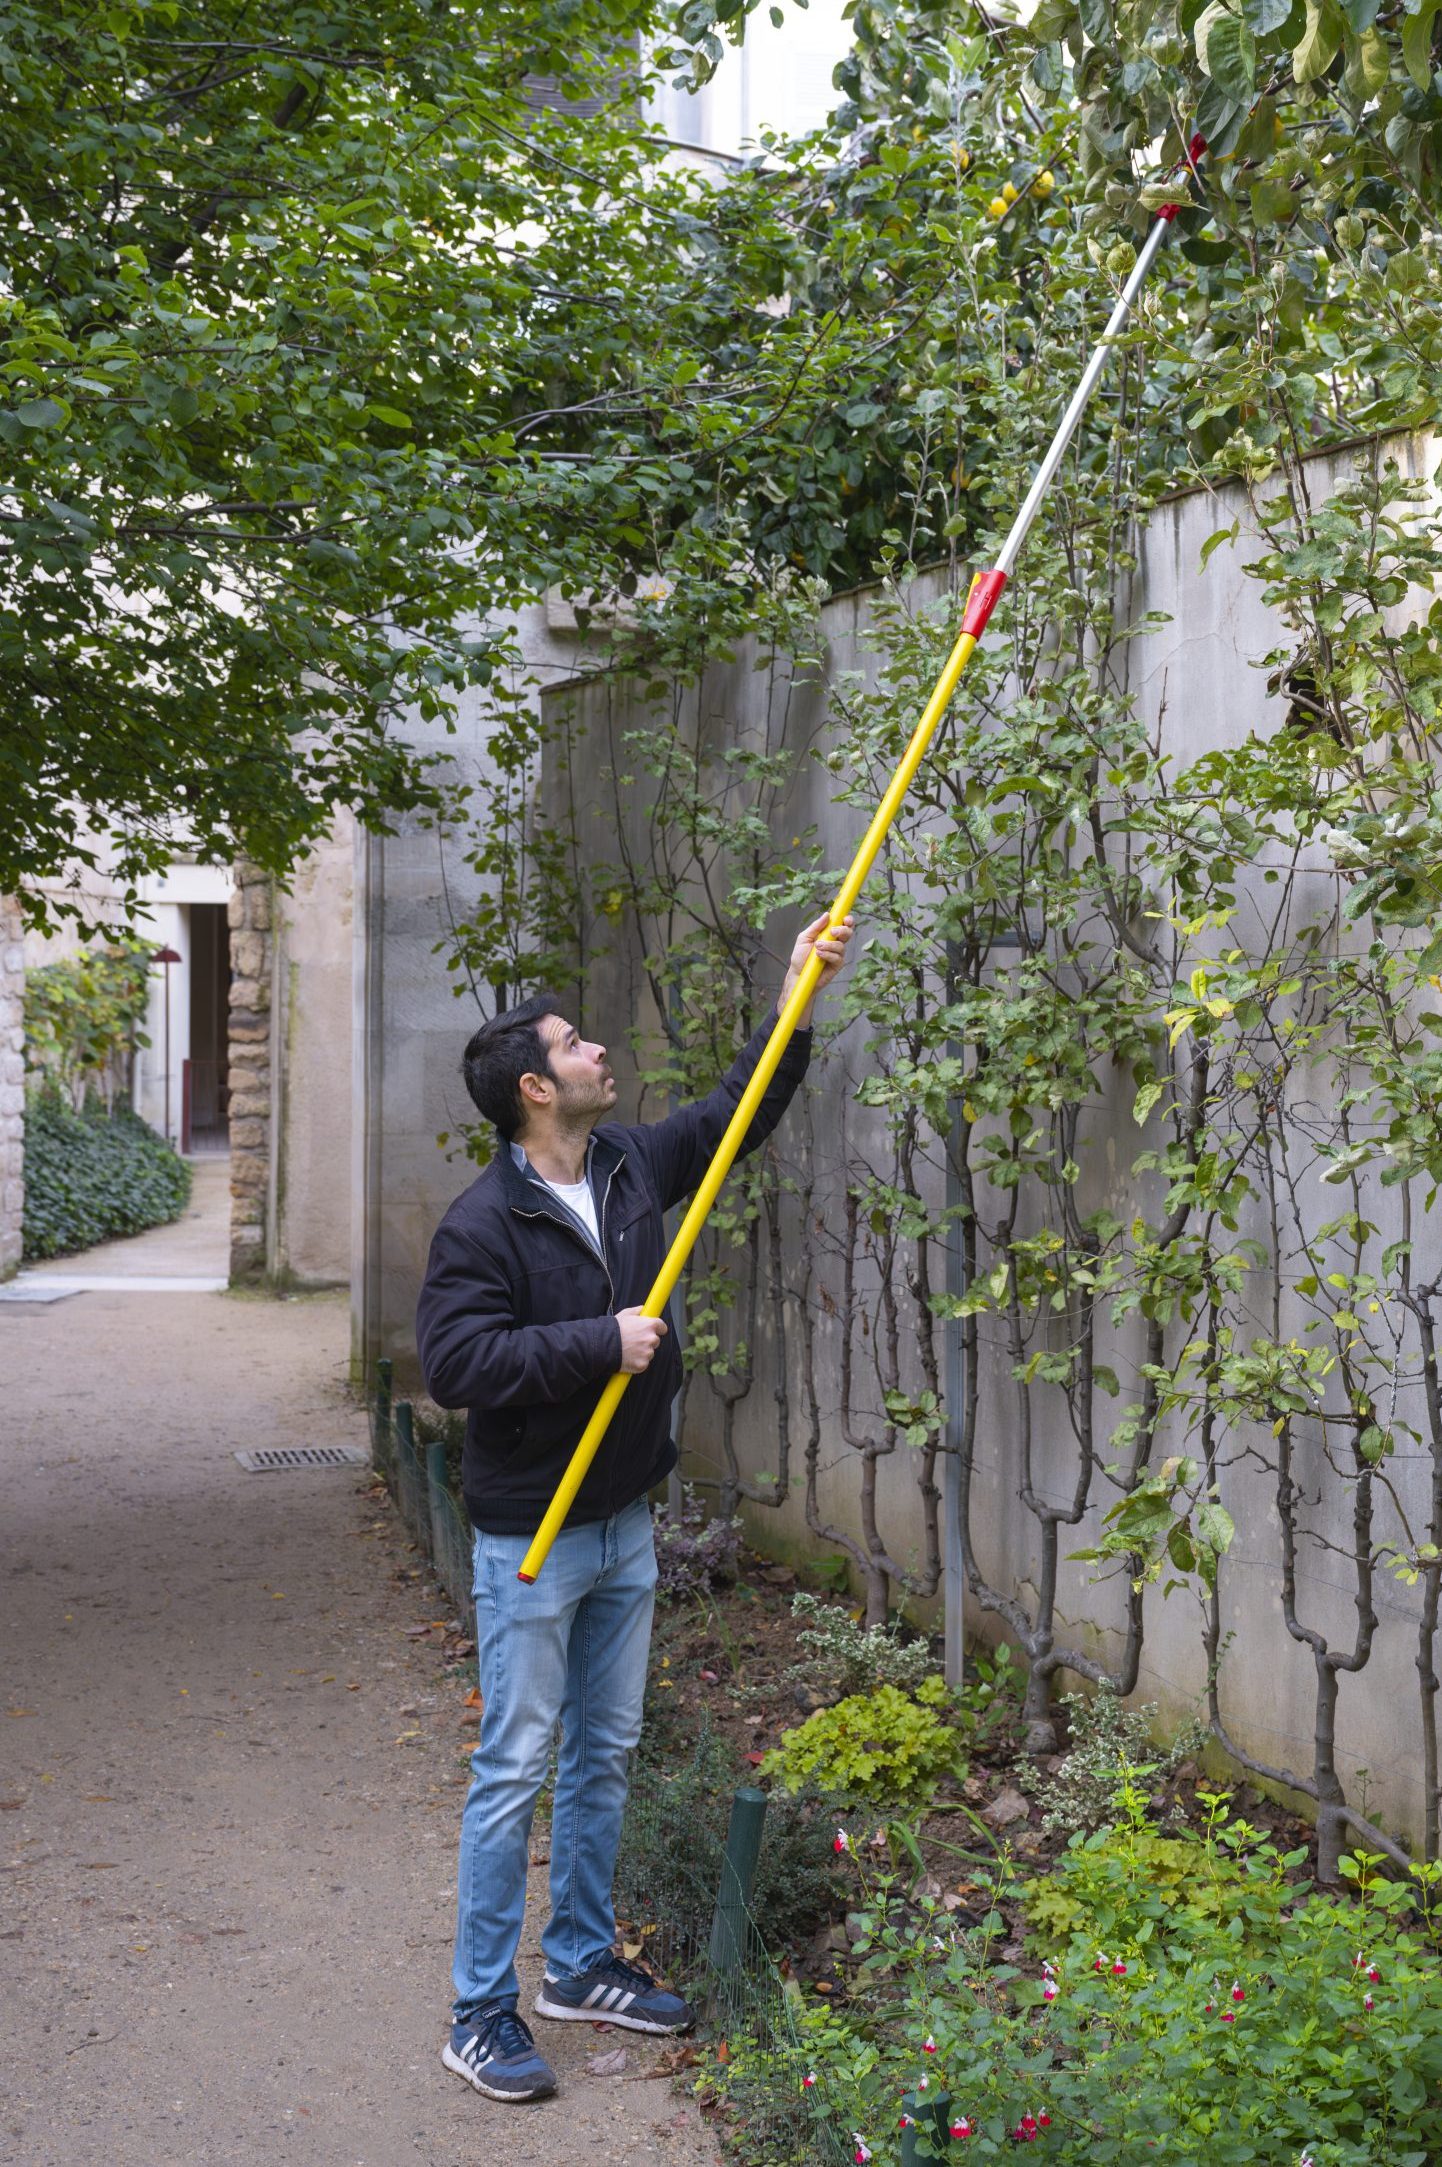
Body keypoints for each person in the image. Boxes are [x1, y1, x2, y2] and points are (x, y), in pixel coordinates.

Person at [415, 912, 854, 2103]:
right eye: (574, 1043)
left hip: (622, 1522)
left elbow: (736, 1113)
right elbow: (455, 1365)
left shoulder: (624, 1166)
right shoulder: (482, 1223)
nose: (597, 1049)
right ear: (533, 1088)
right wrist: (595, 1342)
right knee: (514, 1766)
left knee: (603, 1752)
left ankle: (577, 1963)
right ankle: (478, 2013)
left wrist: (796, 994)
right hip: (532, 1534)